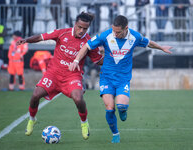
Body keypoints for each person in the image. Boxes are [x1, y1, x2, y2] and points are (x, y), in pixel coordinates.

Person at [69, 15, 172, 143]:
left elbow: (149, 43)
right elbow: (86, 46)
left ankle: (123, 111)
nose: (115, 34)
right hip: (106, 78)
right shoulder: (106, 35)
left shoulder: (135, 37)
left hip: (123, 79)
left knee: (121, 106)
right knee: (110, 108)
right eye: (114, 31)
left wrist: (162, 48)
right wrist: (76, 60)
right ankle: (115, 134)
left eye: (118, 32)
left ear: (126, 28)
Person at [16, 12, 103, 139]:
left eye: (85, 28)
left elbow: (98, 60)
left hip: (72, 76)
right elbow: (41, 37)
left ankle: (84, 123)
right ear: (75, 24)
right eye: (80, 27)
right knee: (35, 95)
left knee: (78, 99)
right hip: (53, 74)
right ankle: (32, 119)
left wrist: (113, 57)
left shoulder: (89, 42)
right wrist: (26, 40)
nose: (81, 30)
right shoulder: (62, 33)